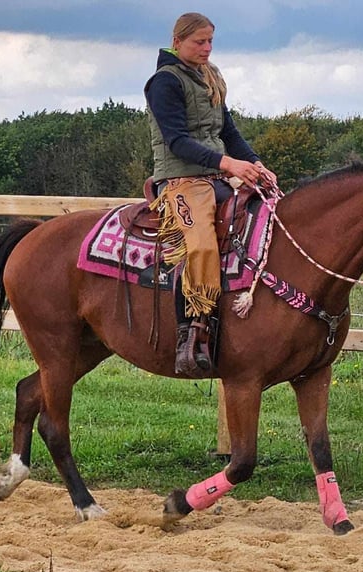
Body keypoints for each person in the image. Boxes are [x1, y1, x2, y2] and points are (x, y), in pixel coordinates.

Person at [145, 12, 277, 377]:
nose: (206, 48)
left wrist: (255, 163)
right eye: (199, 42)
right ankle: (192, 332)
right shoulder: (164, 82)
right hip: (181, 180)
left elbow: (229, 131)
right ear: (177, 41)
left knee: (269, 220)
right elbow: (177, 141)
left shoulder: (211, 76)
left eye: (210, 41)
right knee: (200, 245)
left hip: (218, 174)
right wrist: (229, 165)